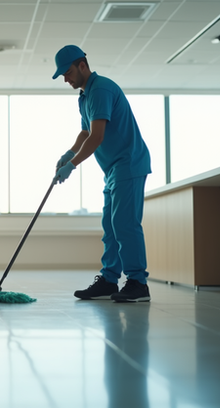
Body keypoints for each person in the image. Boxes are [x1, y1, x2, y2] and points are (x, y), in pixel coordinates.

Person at [52, 45, 151, 302]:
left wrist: (72, 166)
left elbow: (97, 137)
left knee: (125, 224)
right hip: (112, 169)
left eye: (68, 72)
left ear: (82, 65)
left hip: (128, 163)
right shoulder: (85, 96)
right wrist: (68, 153)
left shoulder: (101, 89)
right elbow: (85, 132)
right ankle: (109, 280)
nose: (65, 78)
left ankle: (138, 284)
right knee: (109, 226)